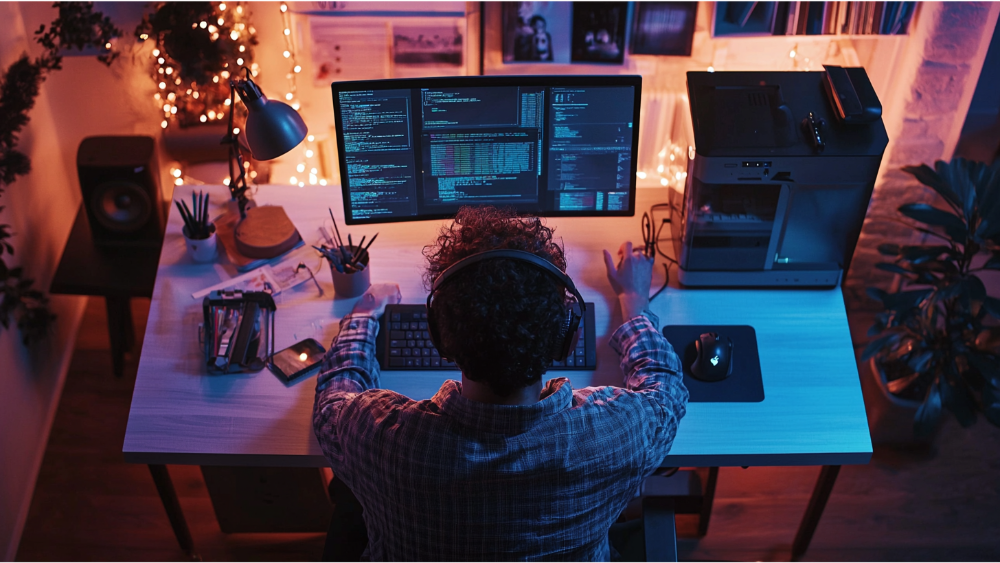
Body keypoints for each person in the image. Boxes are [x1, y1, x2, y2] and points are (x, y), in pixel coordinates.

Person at [313, 205, 689, 562]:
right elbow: (666, 391)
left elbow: (332, 402)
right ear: (566, 338)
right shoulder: (617, 434)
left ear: (439, 337)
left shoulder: (379, 438)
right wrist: (634, 301)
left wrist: (362, 317)